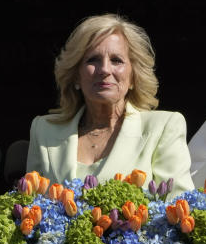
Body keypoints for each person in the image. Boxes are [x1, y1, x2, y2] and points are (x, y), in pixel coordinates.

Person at [26, 14, 194, 194]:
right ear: (76, 75)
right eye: (93, 60)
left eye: (116, 60)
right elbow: (29, 209)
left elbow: (179, 208)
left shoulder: (163, 128)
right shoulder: (44, 130)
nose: (105, 69)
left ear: (133, 76)